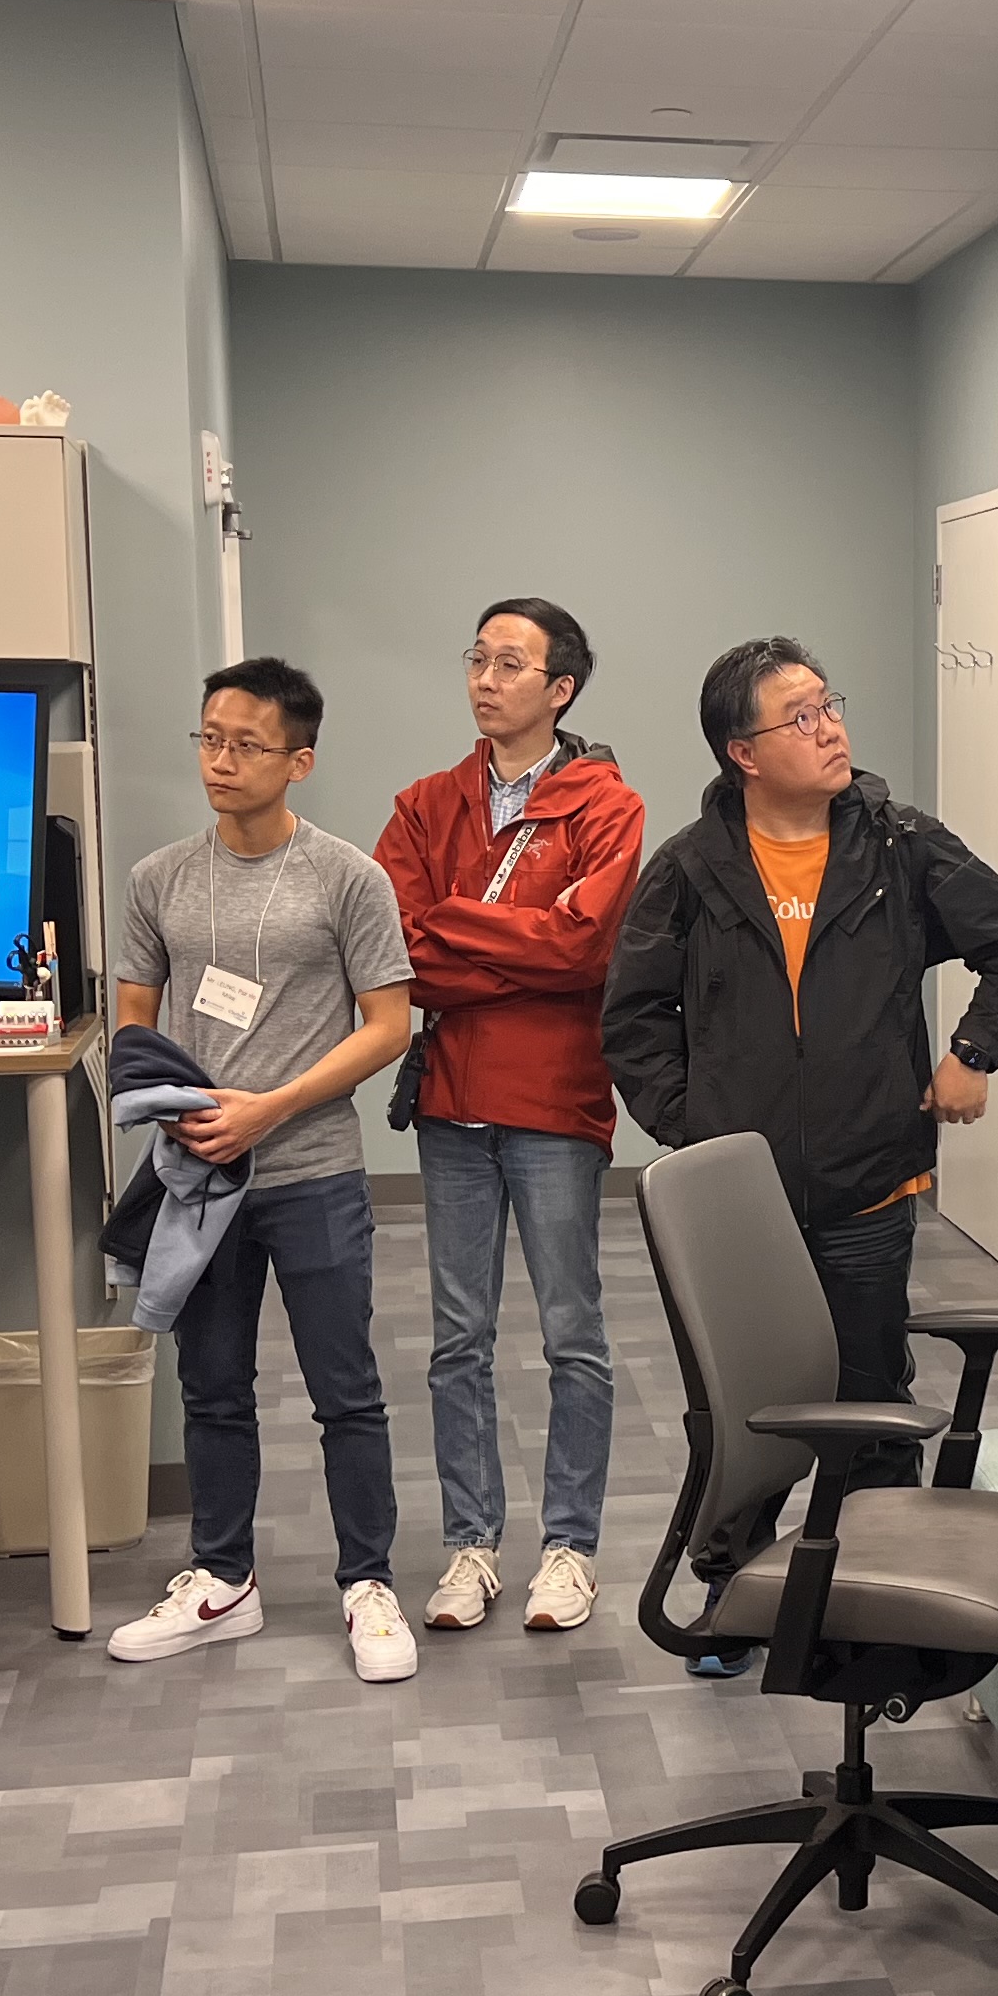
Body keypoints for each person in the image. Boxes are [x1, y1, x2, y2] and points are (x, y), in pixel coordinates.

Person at [603, 639, 998, 1675]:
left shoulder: (899, 849)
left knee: (871, 1398)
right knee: (745, 1402)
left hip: (865, 1185)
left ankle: (863, 1595)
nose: (831, 728)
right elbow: (631, 1020)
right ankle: (734, 1587)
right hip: (737, 1207)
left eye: (829, 706)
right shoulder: (689, 869)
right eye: (799, 717)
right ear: (742, 752)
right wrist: (698, 1129)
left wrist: (976, 1051)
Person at [100, 657, 417, 1682]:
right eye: (209, 738)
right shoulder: (160, 879)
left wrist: (271, 1108)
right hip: (202, 1181)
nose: (221, 760)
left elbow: (388, 1027)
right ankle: (220, 1580)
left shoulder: (346, 878)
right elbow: (135, 1019)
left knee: (346, 1391)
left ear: (300, 760)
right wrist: (180, 1111)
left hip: (313, 1170)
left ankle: (369, 1584)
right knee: (212, 1387)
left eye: (245, 744)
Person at [373, 599, 646, 1643]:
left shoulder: (606, 807)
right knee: (457, 1339)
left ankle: (569, 1549)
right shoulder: (424, 805)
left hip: (556, 1100)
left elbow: (584, 951)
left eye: (510, 664)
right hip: (452, 1101)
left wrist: (457, 930)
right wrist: (510, 942)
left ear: (560, 689)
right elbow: (399, 949)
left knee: (573, 1334)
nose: (485, 679)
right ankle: (472, 1545)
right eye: (477, 659)